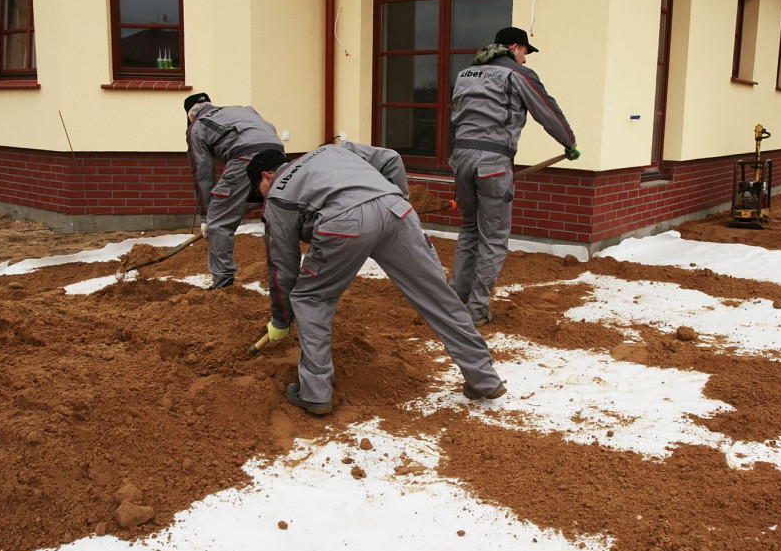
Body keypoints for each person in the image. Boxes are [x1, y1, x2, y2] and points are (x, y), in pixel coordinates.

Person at [245, 142, 506, 415]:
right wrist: (400, 199)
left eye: (258, 193)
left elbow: (282, 267)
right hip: (397, 211)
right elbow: (391, 157)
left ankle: (315, 393)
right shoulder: (330, 150)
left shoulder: (276, 196)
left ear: (267, 176)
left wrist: (281, 318)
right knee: (438, 296)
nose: (262, 198)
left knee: (310, 298)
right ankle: (484, 378)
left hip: (343, 224)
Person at [449, 26, 581, 326]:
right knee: (494, 238)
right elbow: (547, 110)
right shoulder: (516, 75)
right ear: (514, 47)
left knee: (470, 228)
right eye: (525, 52)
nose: (525, 59)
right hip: (493, 162)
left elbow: (458, 117)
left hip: (461, 159)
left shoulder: (465, 75)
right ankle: (477, 310)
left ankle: (455, 297)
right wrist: (569, 143)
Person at [184, 93, 285, 290]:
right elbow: (267, 128)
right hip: (277, 155)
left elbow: (202, 172)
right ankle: (284, 275)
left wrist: (206, 216)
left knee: (219, 221)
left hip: (246, 156)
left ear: (190, 116)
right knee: (279, 214)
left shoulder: (197, 126)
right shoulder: (242, 110)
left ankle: (223, 283)